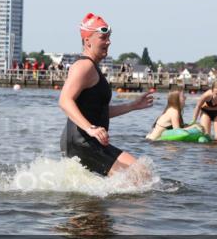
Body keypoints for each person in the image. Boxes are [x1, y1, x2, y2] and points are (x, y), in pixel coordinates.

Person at [59, 13, 155, 176]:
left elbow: (99, 111)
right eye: (103, 38)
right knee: (139, 175)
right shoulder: (84, 66)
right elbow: (65, 101)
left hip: (87, 140)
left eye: (109, 37)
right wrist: (91, 129)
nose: (108, 42)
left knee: (139, 175)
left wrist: (132, 106)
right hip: (83, 141)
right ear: (87, 40)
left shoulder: (92, 68)